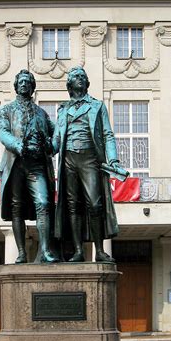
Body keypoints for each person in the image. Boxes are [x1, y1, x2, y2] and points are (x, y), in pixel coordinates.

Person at [52, 66, 123, 263]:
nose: (80, 79)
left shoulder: (97, 106)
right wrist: (45, 149)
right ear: (69, 84)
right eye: (76, 77)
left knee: (95, 203)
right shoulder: (63, 109)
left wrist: (113, 159)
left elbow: (108, 134)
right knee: (73, 205)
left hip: (90, 158)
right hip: (68, 160)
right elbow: (57, 138)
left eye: (83, 76)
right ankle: (78, 251)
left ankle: (99, 250)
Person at [0, 69, 58, 264]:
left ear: (32, 87)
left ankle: (45, 251)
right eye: (21, 81)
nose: (24, 84)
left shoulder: (41, 113)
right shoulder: (6, 110)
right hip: (16, 163)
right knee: (17, 208)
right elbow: (3, 133)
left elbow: (56, 132)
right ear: (16, 86)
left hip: (36, 165)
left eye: (27, 82)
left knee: (43, 203)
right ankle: (22, 252)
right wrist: (19, 145)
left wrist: (51, 146)